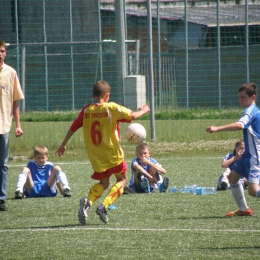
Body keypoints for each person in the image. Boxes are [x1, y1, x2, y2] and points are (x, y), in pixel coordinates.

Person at [55, 80, 150, 224]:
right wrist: (144, 110)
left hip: (95, 155)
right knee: (122, 179)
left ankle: (88, 201)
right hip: (112, 153)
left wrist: (63, 145)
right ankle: (104, 206)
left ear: (93, 95)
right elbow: (134, 116)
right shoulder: (111, 108)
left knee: (104, 182)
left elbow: (73, 127)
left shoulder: (86, 110)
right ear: (107, 95)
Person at [207, 82, 260, 217]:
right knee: (233, 178)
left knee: (253, 191)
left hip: (255, 156)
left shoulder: (251, 111)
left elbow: (240, 125)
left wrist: (218, 128)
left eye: (243, 97)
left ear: (253, 97)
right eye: (239, 97)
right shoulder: (252, 111)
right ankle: (244, 209)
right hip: (248, 155)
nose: (240, 100)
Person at [0, 39, 24, 211]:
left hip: (4, 126)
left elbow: (15, 101)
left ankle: (1, 199)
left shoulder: (10, 72)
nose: (0, 54)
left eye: (2, 51)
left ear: (5, 52)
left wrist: (18, 124)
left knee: (3, 164)